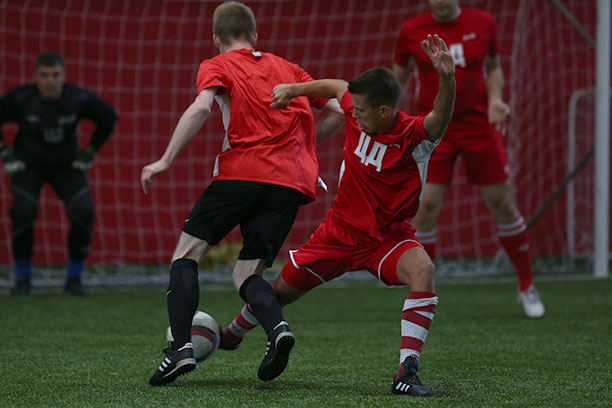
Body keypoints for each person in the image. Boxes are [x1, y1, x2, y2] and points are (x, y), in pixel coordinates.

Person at [220, 35, 456, 396]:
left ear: (384, 111)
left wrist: (447, 78)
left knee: (423, 270)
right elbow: (336, 86)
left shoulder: (414, 137)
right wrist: (293, 90)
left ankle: (406, 372)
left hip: (387, 238)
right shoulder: (355, 108)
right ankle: (230, 335)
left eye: (361, 110)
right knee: (279, 293)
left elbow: (440, 117)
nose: (353, 114)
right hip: (338, 233)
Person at [140, 1, 344, 386]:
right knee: (247, 272)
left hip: (243, 171)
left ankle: (180, 348)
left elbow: (201, 108)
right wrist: (301, 151)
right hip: (291, 181)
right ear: (255, 36)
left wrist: (165, 160)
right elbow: (337, 111)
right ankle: (277, 329)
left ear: (216, 38)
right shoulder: (290, 68)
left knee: (187, 253)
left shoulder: (216, 64)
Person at [392, 0, 545, 318]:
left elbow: (494, 67)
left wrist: (495, 100)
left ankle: (527, 286)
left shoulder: (483, 22)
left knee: (502, 203)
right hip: (433, 128)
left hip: (478, 127)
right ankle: (425, 291)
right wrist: (391, 118)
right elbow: (398, 78)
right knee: (424, 210)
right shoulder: (411, 30)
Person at [0, 52, 117, 296]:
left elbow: (108, 117)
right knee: (22, 211)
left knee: (84, 210)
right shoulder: (21, 98)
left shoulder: (77, 98)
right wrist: (6, 154)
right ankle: (22, 279)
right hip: (28, 165)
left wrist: (89, 152)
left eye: (55, 75)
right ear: (35, 77)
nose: (50, 81)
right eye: (44, 75)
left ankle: (74, 279)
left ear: (63, 76)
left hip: (66, 165)